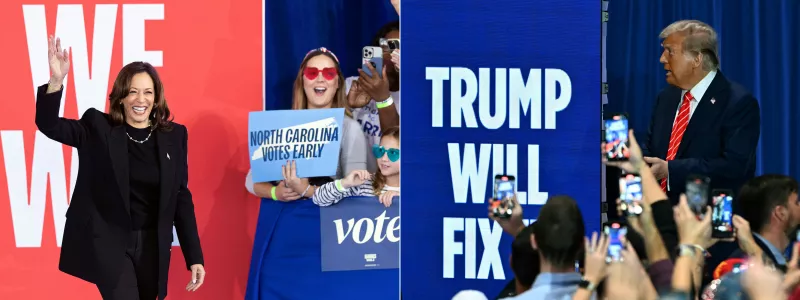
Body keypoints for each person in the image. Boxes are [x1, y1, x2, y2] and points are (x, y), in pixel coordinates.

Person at [36, 36, 205, 300]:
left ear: (157, 97)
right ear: (121, 97)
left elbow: (181, 198)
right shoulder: (98, 128)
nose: (141, 99)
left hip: (153, 246)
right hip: (110, 244)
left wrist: (194, 256)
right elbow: (49, 125)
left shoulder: (174, 136)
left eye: (148, 92)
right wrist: (56, 81)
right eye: (133, 91)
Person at [639, 20, 760, 202]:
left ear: (697, 59)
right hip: (660, 215)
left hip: (708, 220)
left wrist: (670, 170)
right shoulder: (666, 98)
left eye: (670, 51)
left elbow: (734, 167)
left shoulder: (737, 102)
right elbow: (651, 150)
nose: (662, 58)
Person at [245, 47, 368, 201]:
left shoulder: (349, 128)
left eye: (329, 73)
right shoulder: (281, 124)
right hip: (287, 218)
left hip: (328, 220)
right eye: (312, 73)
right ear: (302, 81)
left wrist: (307, 190)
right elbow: (251, 180)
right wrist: (275, 192)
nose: (320, 79)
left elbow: (357, 187)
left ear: (338, 83)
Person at [346, 20, 401, 172]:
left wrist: (382, 99)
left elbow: (396, 146)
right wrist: (348, 105)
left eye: (398, 48)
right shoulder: (351, 85)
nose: (391, 54)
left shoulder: (414, 97)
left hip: (388, 184)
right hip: (352, 180)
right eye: (386, 47)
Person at [311, 126, 399, 207]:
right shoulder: (364, 184)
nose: (384, 158)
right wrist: (344, 183)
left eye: (393, 153)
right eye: (380, 151)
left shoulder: (412, 192)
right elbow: (318, 199)